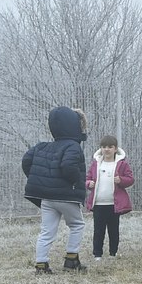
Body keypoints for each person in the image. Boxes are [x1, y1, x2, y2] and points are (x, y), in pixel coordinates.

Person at [23, 106, 89, 273]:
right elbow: (68, 166)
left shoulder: (42, 146)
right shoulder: (73, 146)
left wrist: (41, 181)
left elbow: (26, 162)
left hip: (46, 198)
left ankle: (41, 265)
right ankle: (71, 260)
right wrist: (75, 181)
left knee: (46, 232)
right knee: (77, 225)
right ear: (75, 126)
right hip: (66, 196)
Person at [85, 134, 134, 261]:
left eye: (110, 147)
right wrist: (88, 184)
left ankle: (113, 252)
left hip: (114, 204)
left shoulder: (122, 164)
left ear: (115, 149)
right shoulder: (96, 164)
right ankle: (97, 254)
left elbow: (130, 179)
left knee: (113, 230)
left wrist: (121, 180)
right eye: (104, 147)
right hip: (98, 204)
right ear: (101, 148)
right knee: (98, 231)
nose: (107, 149)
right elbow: (87, 178)